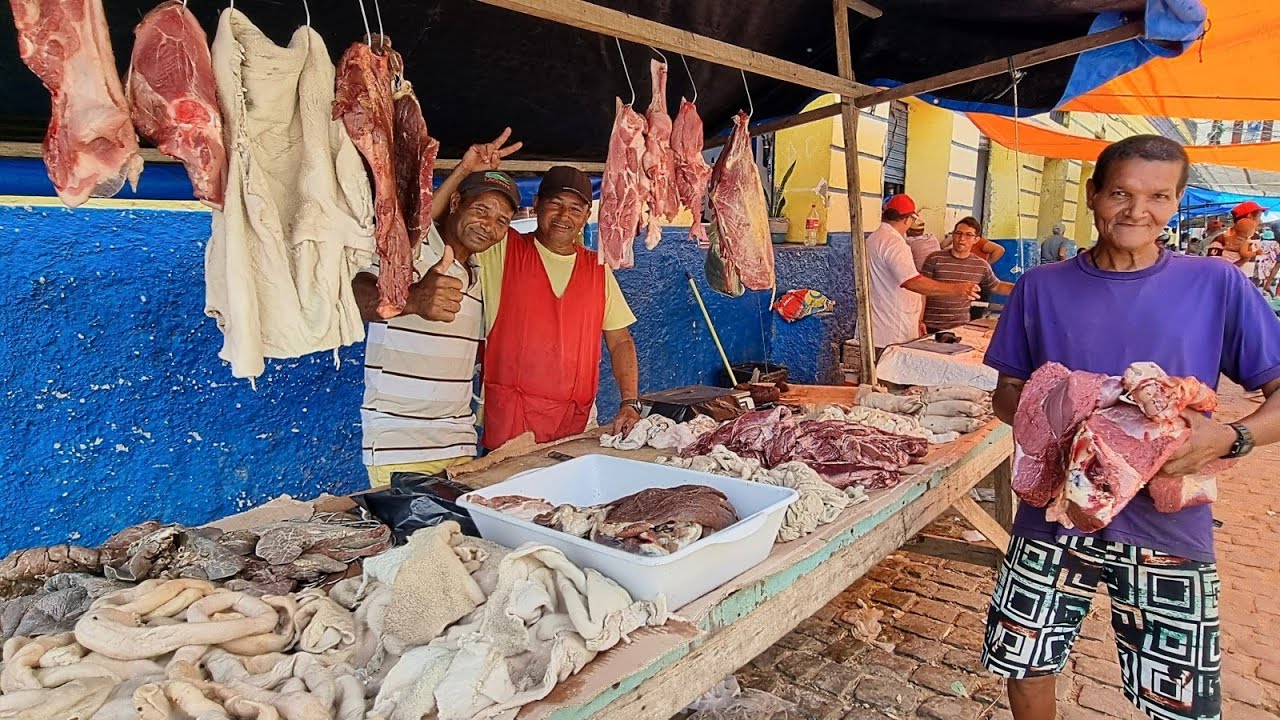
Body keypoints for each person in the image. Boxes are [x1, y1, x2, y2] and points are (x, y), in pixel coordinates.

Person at [981, 135, 1280, 720]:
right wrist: (1067, 417)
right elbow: (1006, 395)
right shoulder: (1041, 286)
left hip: (1169, 524)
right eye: (1120, 192)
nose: (1137, 211)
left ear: (1177, 202)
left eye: (1158, 197)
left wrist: (1229, 437)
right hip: (1053, 517)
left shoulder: (1217, 285)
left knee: (1181, 700)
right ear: (1093, 195)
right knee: (1025, 664)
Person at [431, 146, 641, 450]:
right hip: (510, 429)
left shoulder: (598, 270)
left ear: (585, 217)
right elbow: (438, 226)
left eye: (575, 208)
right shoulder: (500, 248)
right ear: (537, 203)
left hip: (576, 425)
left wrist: (629, 401)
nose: (563, 216)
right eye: (555, 204)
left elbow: (620, 340)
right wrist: (466, 172)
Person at [355, 167, 520, 487]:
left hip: (459, 442)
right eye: (481, 210)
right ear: (456, 202)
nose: (489, 225)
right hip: (400, 445)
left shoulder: (478, 274)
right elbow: (354, 295)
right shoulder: (410, 251)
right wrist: (413, 300)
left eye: (502, 221)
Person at [865, 194, 979, 353]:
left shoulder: (874, 238)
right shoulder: (893, 243)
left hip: (882, 325)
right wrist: (957, 289)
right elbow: (912, 282)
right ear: (907, 220)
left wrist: (918, 319)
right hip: (891, 330)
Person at [921, 217, 1014, 333]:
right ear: (953, 236)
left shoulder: (981, 265)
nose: (962, 238)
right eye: (958, 233)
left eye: (968, 235)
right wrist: (919, 321)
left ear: (976, 239)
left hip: (960, 327)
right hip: (930, 325)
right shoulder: (934, 258)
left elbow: (997, 286)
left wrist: (1024, 288)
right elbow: (921, 291)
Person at [1206, 200, 1263, 274]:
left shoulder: (1253, 238)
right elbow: (1214, 268)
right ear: (1250, 217)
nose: (1260, 221)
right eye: (1259, 217)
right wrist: (1243, 260)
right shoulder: (1221, 239)